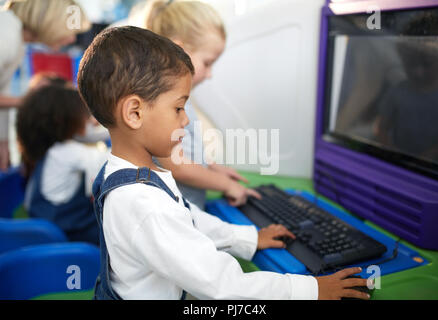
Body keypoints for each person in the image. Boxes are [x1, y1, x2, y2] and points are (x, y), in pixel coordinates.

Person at [77, 26, 370, 300]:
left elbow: (186, 217)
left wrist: (247, 238)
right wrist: (310, 290)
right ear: (135, 113)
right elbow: (221, 285)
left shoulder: (127, 171)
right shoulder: (144, 204)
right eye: (178, 107)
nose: (186, 119)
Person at [140, 0, 260, 210]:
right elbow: (177, 166)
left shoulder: (180, 97)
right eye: (207, 63)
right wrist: (226, 185)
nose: (210, 73)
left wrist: (212, 168)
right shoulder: (163, 102)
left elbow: (184, 152)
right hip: (176, 215)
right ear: (180, 51)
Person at [0, 0, 91, 170]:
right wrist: (29, 101)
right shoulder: (6, 33)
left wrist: (2, 143)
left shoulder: (17, 39)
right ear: (52, 20)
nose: (72, 39)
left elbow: (1, 89)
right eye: (71, 31)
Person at [16, 85, 108, 245]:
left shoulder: (51, 150)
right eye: (85, 116)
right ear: (65, 120)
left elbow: (91, 136)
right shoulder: (66, 152)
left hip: (56, 226)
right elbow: (110, 158)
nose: (90, 120)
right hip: (69, 233)